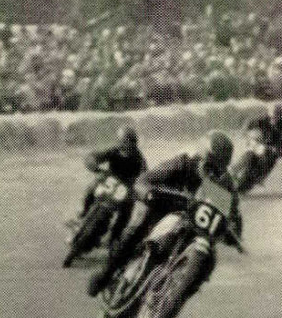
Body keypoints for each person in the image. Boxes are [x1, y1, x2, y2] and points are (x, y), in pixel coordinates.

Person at [87, 131, 240, 296]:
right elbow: (145, 180)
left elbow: (233, 216)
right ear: (201, 157)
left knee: (208, 259)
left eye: (217, 170)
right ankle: (105, 274)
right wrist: (148, 193)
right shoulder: (184, 163)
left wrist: (232, 232)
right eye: (209, 165)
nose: (211, 173)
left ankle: (177, 294)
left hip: (193, 227)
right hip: (163, 207)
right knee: (139, 225)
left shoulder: (226, 185)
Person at [72, 126, 146, 239]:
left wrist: (140, 189)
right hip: (110, 182)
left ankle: (115, 239)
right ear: (120, 140)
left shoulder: (139, 158)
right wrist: (93, 163)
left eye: (130, 141)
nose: (126, 144)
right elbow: (97, 156)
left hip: (126, 188)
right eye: (124, 141)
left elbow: (145, 176)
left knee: (127, 210)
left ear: (134, 142)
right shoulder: (114, 151)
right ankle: (82, 214)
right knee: (92, 188)